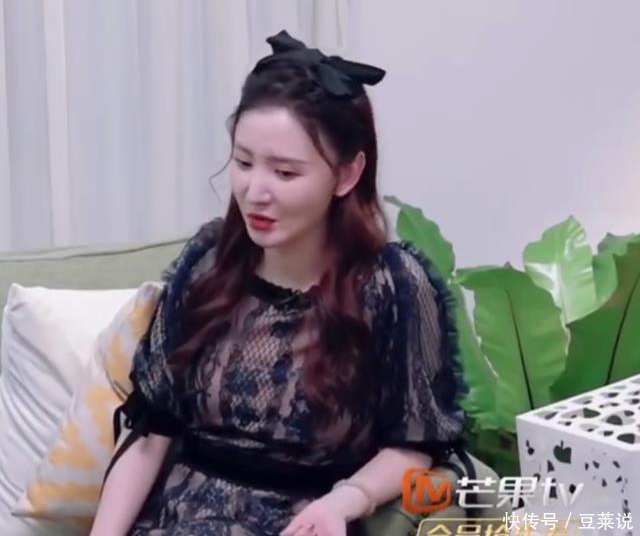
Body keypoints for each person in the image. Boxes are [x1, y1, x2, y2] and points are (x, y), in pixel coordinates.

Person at [89, 29, 469, 536]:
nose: (254, 191)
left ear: (347, 174)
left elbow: (414, 444)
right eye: (243, 163)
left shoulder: (392, 286)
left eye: (285, 173)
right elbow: (151, 428)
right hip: (175, 520)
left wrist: (345, 502)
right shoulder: (208, 262)